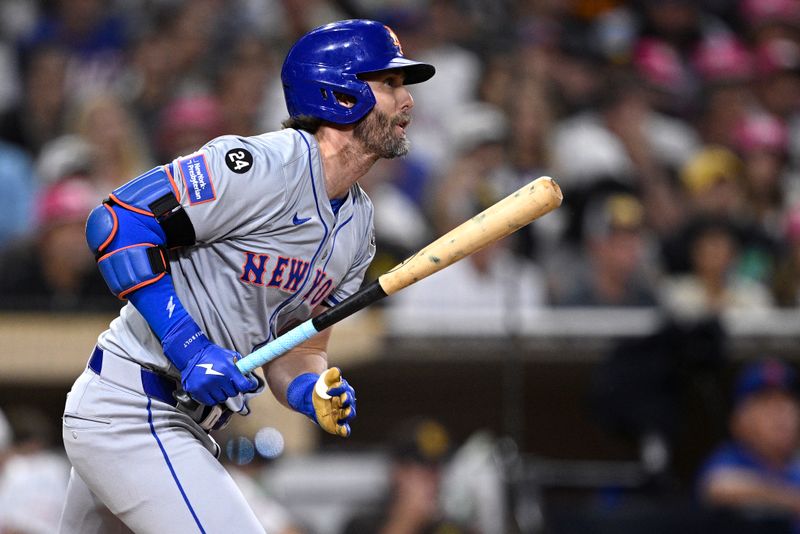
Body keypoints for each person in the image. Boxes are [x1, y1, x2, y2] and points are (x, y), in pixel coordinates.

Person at [57, 19, 435, 533]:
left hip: (184, 423)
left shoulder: (360, 224)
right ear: (338, 91)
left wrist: (308, 389)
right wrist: (189, 346)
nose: (407, 100)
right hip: (133, 406)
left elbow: (301, 347)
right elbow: (118, 220)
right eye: (389, 83)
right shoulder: (262, 166)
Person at [697, 358, 800, 530]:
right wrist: (791, 499)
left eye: (786, 402)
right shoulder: (729, 459)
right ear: (739, 420)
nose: (780, 414)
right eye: (766, 404)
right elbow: (718, 486)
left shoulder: (795, 468)